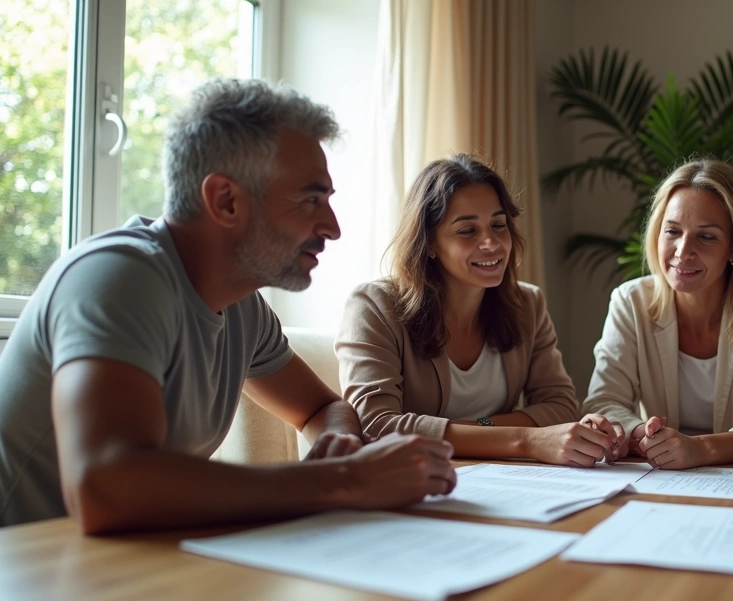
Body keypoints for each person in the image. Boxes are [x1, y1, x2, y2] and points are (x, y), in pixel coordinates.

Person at [0, 79, 457, 534]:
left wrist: (338, 445)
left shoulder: (242, 306)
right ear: (225, 200)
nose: (332, 227)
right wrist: (345, 479)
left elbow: (320, 408)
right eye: (310, 199)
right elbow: (104, 488)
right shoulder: (118, 277)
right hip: (25, 577)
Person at [336, 154, 620, 468]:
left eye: (499, 225)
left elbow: (562, 406)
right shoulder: (374, 307)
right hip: (416, 482)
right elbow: (377, 425)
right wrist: (524, 439)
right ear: (429, 243)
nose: (492, 242)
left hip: (499, 478)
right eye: (467, 231)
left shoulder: (527, 304)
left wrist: (478, 428)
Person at [582, 159, 733, 470]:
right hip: (659, 480)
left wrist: (705, 449)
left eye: (707, 236)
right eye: (672, 231)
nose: (683, 251)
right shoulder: (630, 302)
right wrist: (640, 435)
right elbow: (603, 403)